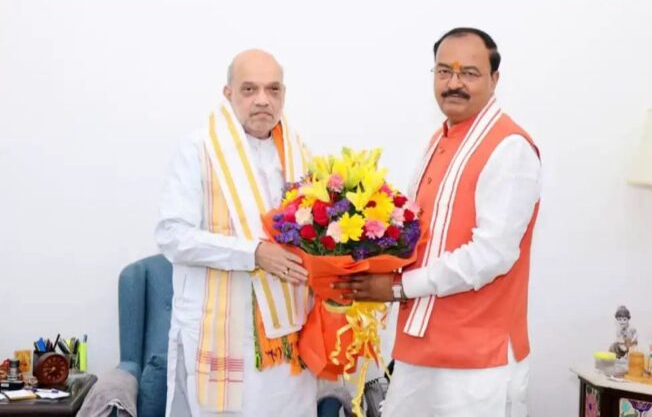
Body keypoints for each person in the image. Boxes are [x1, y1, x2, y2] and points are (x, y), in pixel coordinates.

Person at [338, 28, 542, 416]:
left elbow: (491, 255)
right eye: (444, 71)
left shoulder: (509, 147)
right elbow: (418, 236)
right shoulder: (441, 139)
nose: (454, 83)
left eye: (469, 73)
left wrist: (397, 288)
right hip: (420, 347)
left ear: (494, 79)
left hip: (478, 360)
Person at [156, 49, 316, 416]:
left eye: (273, 89)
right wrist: (253, 253)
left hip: (288, 336)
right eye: (249, 89)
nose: (262, 100)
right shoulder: (199, 149)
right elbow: (172, 235)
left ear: (284, 94)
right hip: (223, 332)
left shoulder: (300, 155)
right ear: (228, 94)